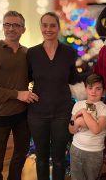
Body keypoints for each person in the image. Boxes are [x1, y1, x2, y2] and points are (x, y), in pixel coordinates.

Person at [0, 10, 38, 180]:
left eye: (16, 25)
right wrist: (17, 94)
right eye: (7, 24)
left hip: (23, 116)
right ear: (3, 27)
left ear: (23, 29)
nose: (11, 28)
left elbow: (38, 78)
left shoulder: (28, 54)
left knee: (19, 158)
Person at [27, 11, 81, 180]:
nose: (48, 29)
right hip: (37, 114)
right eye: (45, 25)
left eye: (52, 25)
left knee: (59, 159)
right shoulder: (32, 53)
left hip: (62, 113)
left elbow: (75, 79)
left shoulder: (69, 52)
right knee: (41, 159)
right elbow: (24, 79)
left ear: (58, 28)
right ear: (40, 28)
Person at [69, 73, 106, 180]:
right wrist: (77, 122)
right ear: (85, 89)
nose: (93, 91)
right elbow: (71, 128)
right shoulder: (78, 104)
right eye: (90, 88)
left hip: (94, 152)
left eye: (98, 89)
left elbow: (96, 129)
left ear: (103, 91)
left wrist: (83, 113)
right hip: (76, 149)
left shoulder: (104, 108)